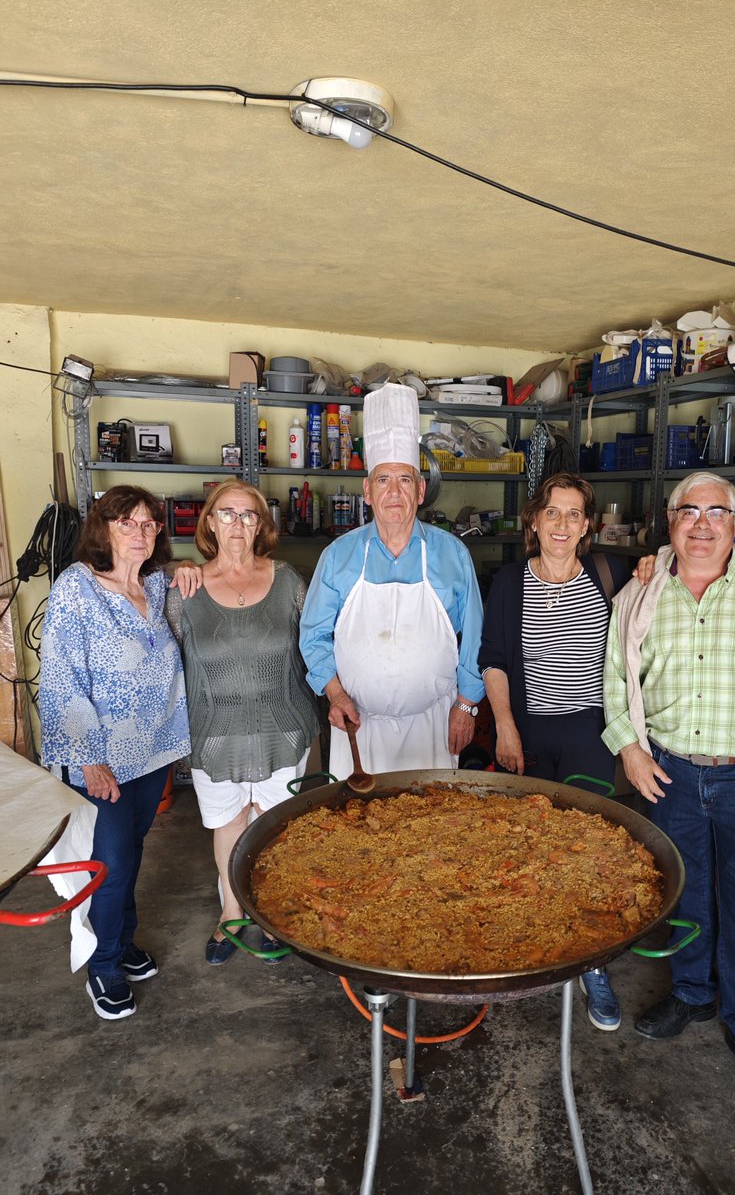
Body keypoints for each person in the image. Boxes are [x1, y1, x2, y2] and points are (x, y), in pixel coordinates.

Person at [602, 472, 735, 1104]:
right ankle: (693, 995)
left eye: (716, 513)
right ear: (669, 522)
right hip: (670, 770)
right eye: (688, 512)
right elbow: (617, 679)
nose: (702, 524)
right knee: (683, 890)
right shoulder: (641, 594)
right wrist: (631, 749)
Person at [478, 472, 632, 1032]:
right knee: (521, 845)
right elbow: (493, 658)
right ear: (534, 521)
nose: (562, 524)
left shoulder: (608, 577)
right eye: (553, 512)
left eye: (574, 515)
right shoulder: (509, 582)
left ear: (587, 526)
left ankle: (590, 964)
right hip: (528, 732)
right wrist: (505, 727)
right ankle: (521, 948)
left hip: (588, 733)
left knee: (587, 850)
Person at [39, 486, 191, 1020]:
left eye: (149, 524)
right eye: (126, 522)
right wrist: (87, 759)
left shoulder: (154, 584)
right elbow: (60, 678)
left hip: (152, 753)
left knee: (131, 851)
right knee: (113, 864)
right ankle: (104, 966)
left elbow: (189, 582)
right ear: (102, 529)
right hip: (101, 761)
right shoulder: (76, 588)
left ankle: (123, 941)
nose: (139, 533)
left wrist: (189, 566)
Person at [165, 478, 320, 966]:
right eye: (227, 514)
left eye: (248, 515)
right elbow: (168, 650)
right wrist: (176, 565)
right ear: (209, 522)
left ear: (262, 526)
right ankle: (231, 913)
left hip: (282, 727)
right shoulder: (184, 589)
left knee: (273, 827)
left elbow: (314, 645)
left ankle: (270, 912)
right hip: (214, 729)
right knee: (230, 825)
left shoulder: (289, 581)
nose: (237, 523)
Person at [300, 383, 485, 779]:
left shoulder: (452, 554)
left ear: (421, 491)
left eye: (405, 480)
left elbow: (475, 637)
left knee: (436, 831)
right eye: (383, 480)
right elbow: (312, 635)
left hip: (435, 725)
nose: (394, 492)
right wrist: (334, 694)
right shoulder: (338, 557)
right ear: (367, 491)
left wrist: (467, 705)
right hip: (360, 727)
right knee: (361, 831)